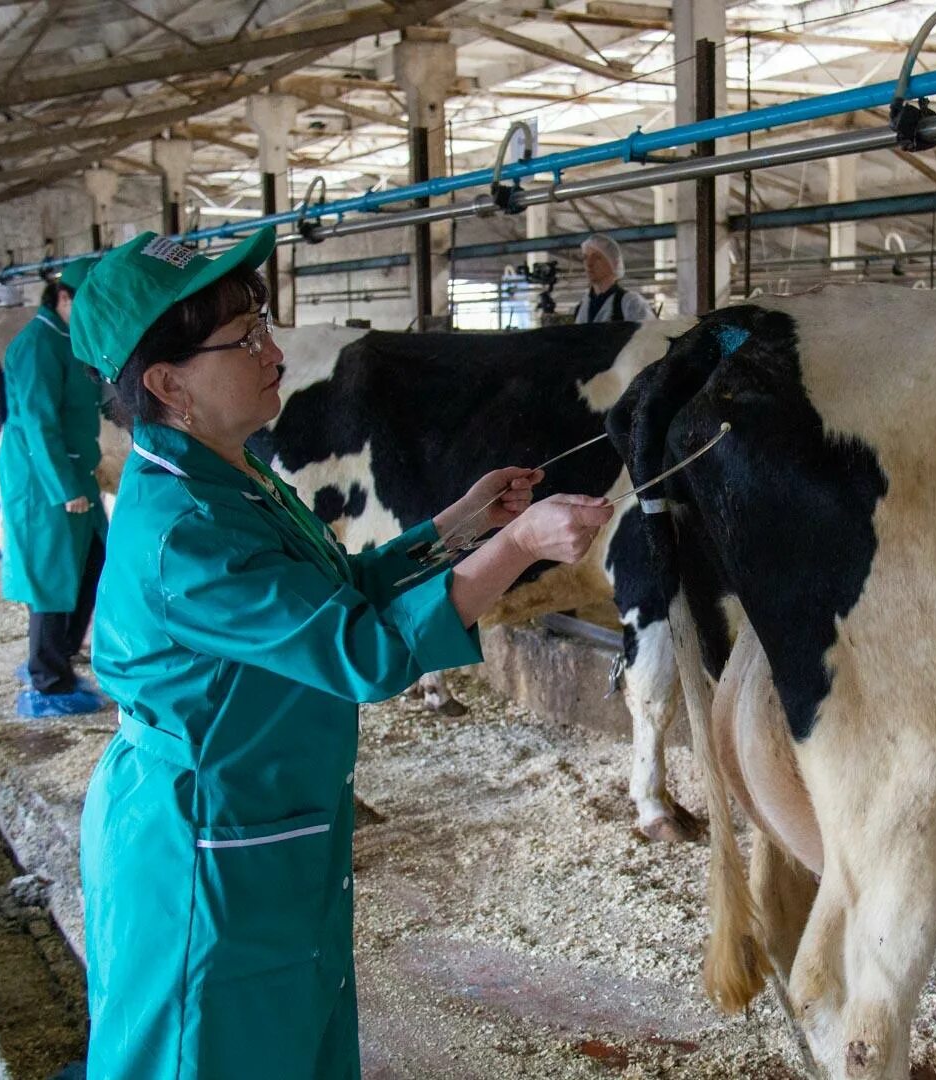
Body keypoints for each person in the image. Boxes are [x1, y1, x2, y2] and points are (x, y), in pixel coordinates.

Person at [71, 229, 615, 1079]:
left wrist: (462, 525)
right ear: (168, 382)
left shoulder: (227, 475)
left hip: (263, 817)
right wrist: (517, 550)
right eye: (244, 339)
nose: (273, 351)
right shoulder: (185, 534)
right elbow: (361, 650)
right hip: (201, 843)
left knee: (289, 1038)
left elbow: (339, 586)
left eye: (263, 325)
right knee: (202, 1055)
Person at [0, 258, 106, 718]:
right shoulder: (39, 345)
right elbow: (39, 423)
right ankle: (48, 681)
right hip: (44, 481)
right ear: (64, 299)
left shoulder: (66, 340)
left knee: (91, 560)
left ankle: (59, 655)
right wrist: (63, 486)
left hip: (74, 471)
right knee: (53, 575)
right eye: (87, 305)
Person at [573, 233, 656, 323]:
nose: (589, 264)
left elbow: (648, 334)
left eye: (596, 258)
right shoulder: (581, 307)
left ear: (614, 263)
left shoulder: (631, 304)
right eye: (585, 257)